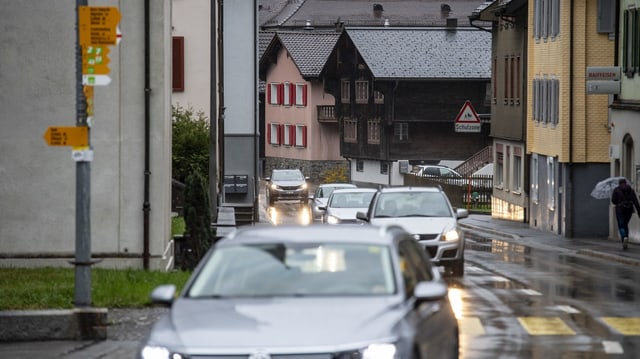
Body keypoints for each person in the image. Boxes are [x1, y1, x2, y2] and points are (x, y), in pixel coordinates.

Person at [611, 178, 640, 250]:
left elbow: (614, 201)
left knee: (621, 225)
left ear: (619, 183)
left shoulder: (616, 190)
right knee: (625, 224)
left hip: (620, 210)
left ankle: (624, 237)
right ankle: (626, 238)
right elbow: (635, 201)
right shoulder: (631, 190)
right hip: (629, 210)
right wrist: (639, 212)